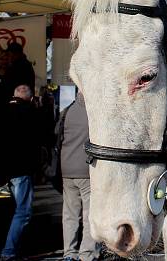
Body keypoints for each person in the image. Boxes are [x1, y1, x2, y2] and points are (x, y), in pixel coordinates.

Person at [0, 85, 42, 261]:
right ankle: (9, 251)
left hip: (3, 171)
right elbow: (36, 141)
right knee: (23, 211)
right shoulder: (31, 113)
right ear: (30, 99)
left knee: (8, 210)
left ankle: (3, 246)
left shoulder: (1, 111)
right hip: (22, 169)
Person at [60, 93, 101, 261]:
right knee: (89, 214)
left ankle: (69, 252)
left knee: (70, 214)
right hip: (87, 170)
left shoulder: (67, 110)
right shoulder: (95, 112)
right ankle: (87, 253)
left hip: (67, 168)